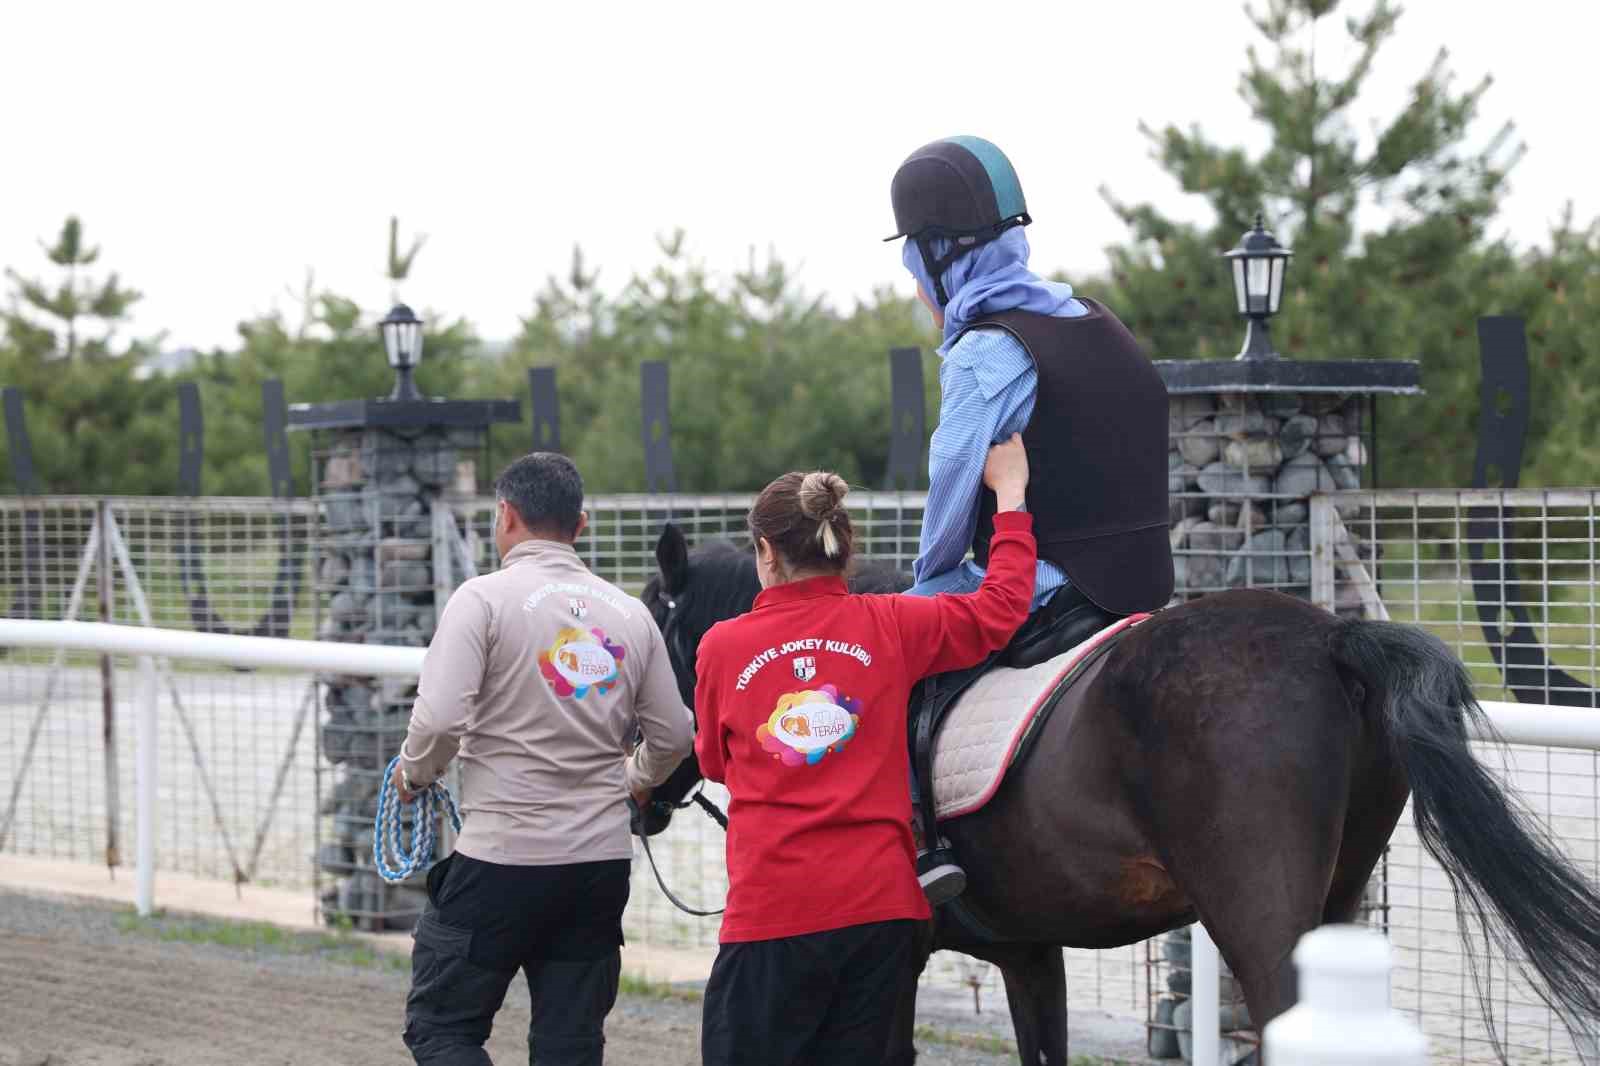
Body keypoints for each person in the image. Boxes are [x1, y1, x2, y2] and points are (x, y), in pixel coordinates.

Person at [887, 136, 1175, 899]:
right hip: (1146, 572)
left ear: (941, 257)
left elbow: (951, 498)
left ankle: (919, 840)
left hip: (1056, 581)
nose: (916, 282)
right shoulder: (1094, 317)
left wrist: (927, 587)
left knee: (888, 651)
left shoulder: (985, 350)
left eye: (916, 261)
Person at [691, 439, 1036, 1066]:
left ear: (765, 553)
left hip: (772, 919)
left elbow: (715, 764)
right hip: (881, 916)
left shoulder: (720, 646)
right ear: (841, 547)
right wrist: (1010, 497)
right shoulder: (894, 623)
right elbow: (1001, 609)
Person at [395, 452, 694, 1066]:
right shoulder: (631, 614)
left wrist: (412, 773)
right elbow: (673, 737)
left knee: (442, 1029)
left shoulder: (480, 601)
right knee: (571, 1045)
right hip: (596, 868)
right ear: (579, 524)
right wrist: (629, 781)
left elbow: (441, 720)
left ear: (505, 515)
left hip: (500, 860)